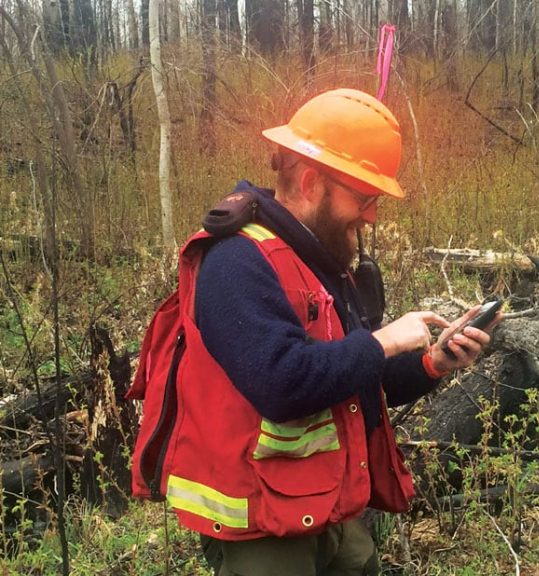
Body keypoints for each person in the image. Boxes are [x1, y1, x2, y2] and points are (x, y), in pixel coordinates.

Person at [145, 89, 498, 576]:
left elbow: (349, 377)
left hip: (327, 508)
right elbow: (283, 383)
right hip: (262, 526)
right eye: (364, 197)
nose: (372, 214)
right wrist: (383, 340)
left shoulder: (319, 261)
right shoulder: (237, 263)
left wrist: (431, 363)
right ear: (312, 182)